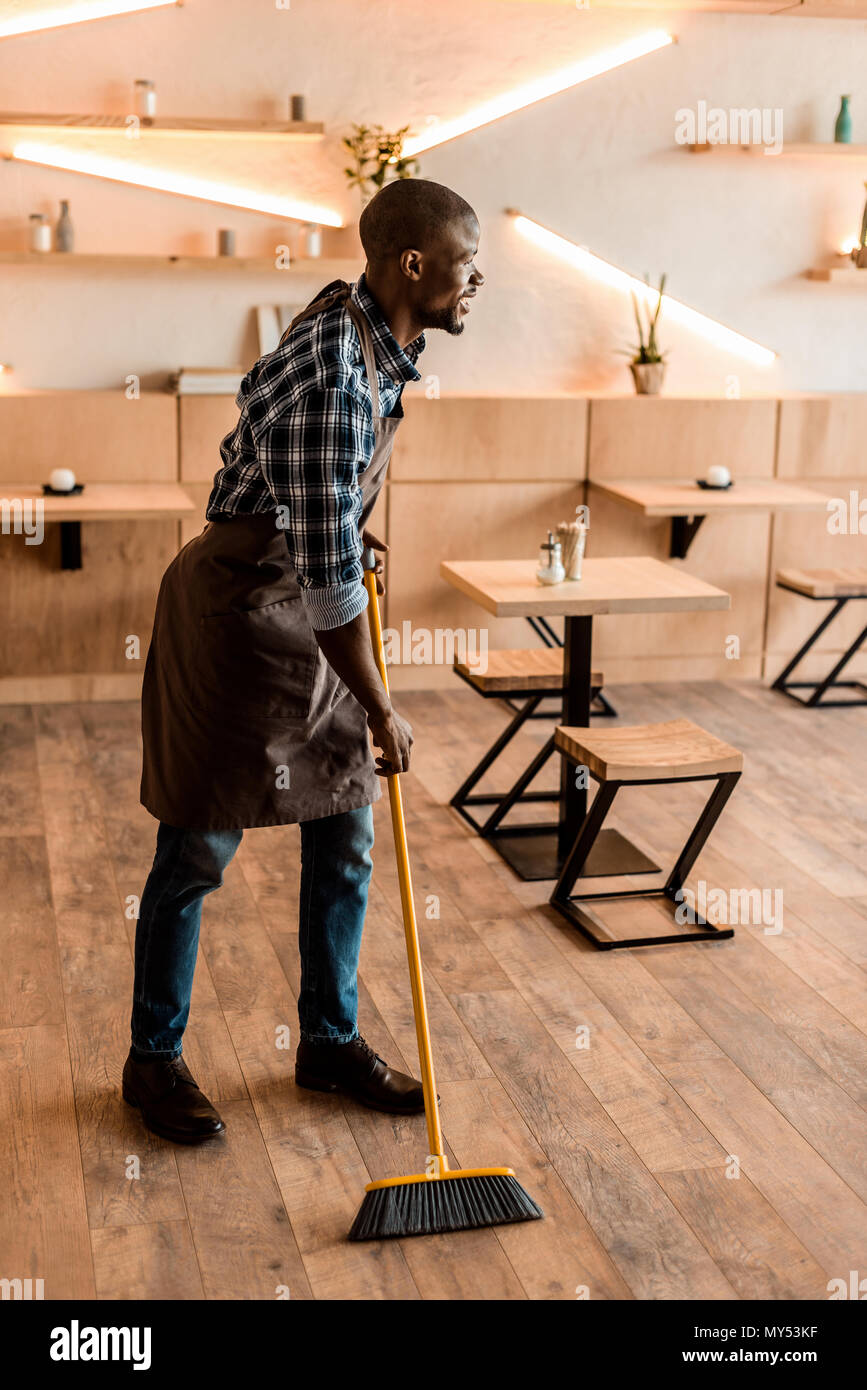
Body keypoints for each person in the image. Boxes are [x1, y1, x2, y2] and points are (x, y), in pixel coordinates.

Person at [123, 179, 484, 1143]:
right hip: (241, 618)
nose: (475, 280)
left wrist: (339, 535)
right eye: (466, 262)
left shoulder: (372, 336)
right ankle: (152, 1060)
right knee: (199, 846)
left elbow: (311, 506)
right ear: (414, 265)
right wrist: (382, 709)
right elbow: (326, 584)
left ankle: (327, 1041)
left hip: (305, 609)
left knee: (347, 830)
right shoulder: (334, 368)